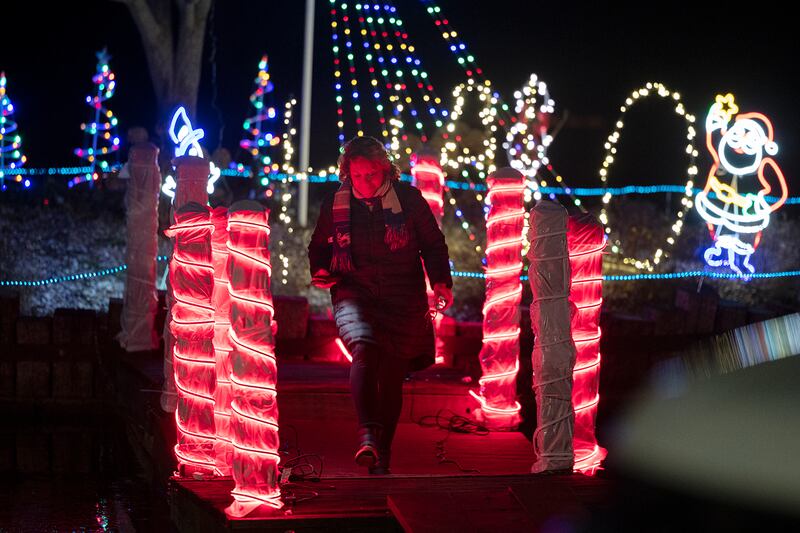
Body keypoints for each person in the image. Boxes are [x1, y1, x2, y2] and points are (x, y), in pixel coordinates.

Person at [308, 136, 453, 474]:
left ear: (385, 168)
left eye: (371, 174)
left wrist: (441, 281)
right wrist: (320, 269)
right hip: (354, 290)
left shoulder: (410, 200)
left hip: (403, 297)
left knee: (391, 374)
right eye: (357, 176)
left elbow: (433, 245)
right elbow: (319, 245)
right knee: (364, 348)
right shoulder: (336, 204)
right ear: (348, 174)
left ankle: (381, 453)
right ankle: (367, 434)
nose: (365, 182)